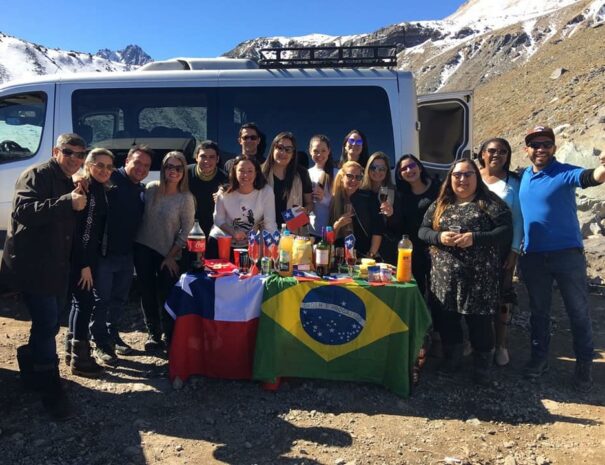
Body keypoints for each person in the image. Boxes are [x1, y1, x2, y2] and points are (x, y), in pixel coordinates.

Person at [1, 133, 88, 419]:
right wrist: (67, 202)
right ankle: (51, 389)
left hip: (57, 267)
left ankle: (29, 369)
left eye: (80, 154)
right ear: (55, 151)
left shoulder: (71, 179)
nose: (75, 158)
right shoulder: (35, 175)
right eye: (68, 152)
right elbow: (24, 212)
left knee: (47, 324)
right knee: (47, 322)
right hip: (34, 268)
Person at [518, 125, 605, 392]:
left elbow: (593, 176)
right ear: (527, 150)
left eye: (546, 144)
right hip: (532, 255)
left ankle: (583, 367)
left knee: (578, 311)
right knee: (539, 311)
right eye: (535, 144)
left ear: (554, 148)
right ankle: (539, 359)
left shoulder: (565, 172)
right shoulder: (523, 176)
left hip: (566, 255)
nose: (540, 149)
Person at [418, 159, 512, 385]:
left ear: (476, 177)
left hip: (479, 278)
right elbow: (423, 231)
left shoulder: (488, 202)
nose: (462, 179)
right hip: (444, 277)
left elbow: (505, 231)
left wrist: (475, 238)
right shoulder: (441, 203)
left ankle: (482, 368)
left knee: (479, 324)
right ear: (450, 178)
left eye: (467, 174)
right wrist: (438, 237)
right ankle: (453, 361)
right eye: (457, 175)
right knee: (447, 321)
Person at [89, 145, 152, 363]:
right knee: (101, 301)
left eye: (146, 165)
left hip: (127, 254)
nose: (141, 168)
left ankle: (112, 335)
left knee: (119, 299)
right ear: (126, 161)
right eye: (137, 162)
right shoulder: (111, 178)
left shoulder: (141, 189)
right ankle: (99, 342)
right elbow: (88, 176)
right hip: (104, 254)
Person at [134, 151, 195, 351]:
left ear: (183, 171)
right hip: (143, 247)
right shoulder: (151, 189)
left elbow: (186, 231)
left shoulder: (185, 198)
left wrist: (170, 256)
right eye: (170, 167)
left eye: (178, 168)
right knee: (147, 292)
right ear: (163, 169)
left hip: (168, 253)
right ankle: (153, 334)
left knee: (166, 294)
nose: (174, 171)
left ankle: (171, 335)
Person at [67, 149, 114, 377]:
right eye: (99, 165)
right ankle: (80, 359)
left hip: (87, 256)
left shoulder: (98, 189)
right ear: (88, 165)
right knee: (85, 304)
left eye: (108, 166)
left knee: (79, 303)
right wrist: (84, 264)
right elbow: (81, 231)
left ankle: (71, 351)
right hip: (82, 257)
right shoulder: (86, 189)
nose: (104, 170)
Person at [478, 138, 523, 367]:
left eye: (503, 151)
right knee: (475, 295)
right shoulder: (472, 177)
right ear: (482, 153)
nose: (497, 155)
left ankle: (501, 344)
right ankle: (478, 342)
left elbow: (518, 220)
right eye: (492, 150)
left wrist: (514, 252)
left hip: (502, 248)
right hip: (475, 248)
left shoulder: (514, 182)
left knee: (502, 296)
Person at [395, 154, 441, 297]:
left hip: (436, 246)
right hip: (413, 249)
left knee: (438, 289)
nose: (409, 170)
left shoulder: (437, 187)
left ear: (420, 168)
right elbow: (400, 224)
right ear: (401, 175)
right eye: (404, 169)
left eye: (412, 165)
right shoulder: (402, 195)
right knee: (417, 289)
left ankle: (437, 319)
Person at [211, 156, 278, 248]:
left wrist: (274, 247)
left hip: (251, 242)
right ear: (234, 171)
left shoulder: (266, 191)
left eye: (250, 171)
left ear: (256, 173)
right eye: (241, 171)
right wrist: (233, 232)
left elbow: (270, 223)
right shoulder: (224, 192)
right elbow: (218, 219)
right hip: (223, 240)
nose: (245, 175)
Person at [329, 161, 383, 258]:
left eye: (358, 177)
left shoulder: (369, 198)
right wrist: (338, 225)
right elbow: (328, 240)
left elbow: (377, 230)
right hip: (339, 256)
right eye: (350, 176)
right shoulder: (334, 200)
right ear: (342, 177)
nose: (354, 180)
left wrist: (371, 255)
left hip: (364, 255)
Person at [261, 132, 313, 230]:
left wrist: (305, 210)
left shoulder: (301, 173)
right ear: (273, 149)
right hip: (265, 231)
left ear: (293, 154)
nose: (283, 153)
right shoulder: (260, 173)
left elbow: (309, 202)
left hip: (293, 231)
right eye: (279, 148)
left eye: (288, 150)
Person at [187, 140, 228, 259]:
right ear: (196, 157)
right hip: (188, 228)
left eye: (211, 157)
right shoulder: (186, 173)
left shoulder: (224, 179)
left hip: (212, 230)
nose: (207, 161)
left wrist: (224, 195)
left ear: (218, 159)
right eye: (203, 156)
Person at [360, 151, 397, 262]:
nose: (377, 171)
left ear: (387, 171)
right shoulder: (361, 191)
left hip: (386, 251)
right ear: (367, 169)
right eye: (373, 167)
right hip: (364, 248)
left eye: (382, 169)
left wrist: (391, 216)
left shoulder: (393, 192)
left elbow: (399, 225)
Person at [307, 135, 335, 239]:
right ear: (310, 151)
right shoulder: (306, 173)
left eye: (323, 150)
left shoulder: (337, 173)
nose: (319, 154)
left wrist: (324, 199)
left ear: (329, 151)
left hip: (333, 231)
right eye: (315, 151)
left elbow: (343, 203)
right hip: (312, 231)